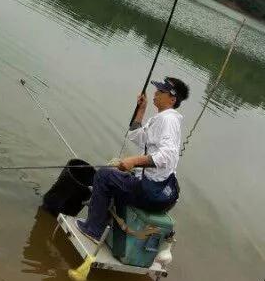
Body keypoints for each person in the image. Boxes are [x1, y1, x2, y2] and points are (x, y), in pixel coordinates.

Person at [76, 76, 189, 243]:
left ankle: (93, 230)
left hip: (150, 192)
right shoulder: (160, 118)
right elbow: (136, 136)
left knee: (103, 176)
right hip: (158, 192)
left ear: (172, 99)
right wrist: (141, 109)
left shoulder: (168, 119)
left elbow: (168, 156)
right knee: (117, 177)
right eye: (156, 90)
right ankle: (107, 224)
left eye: (161, 91)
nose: (155, 93)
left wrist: (134, 161)